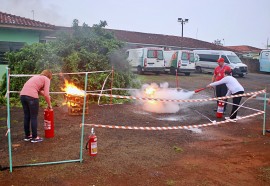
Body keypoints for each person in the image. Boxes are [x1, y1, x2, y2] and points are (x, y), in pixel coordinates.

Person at [20, 70, 52, 143]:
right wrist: (49, 105)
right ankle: (35, 137)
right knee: (33, 117)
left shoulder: (36, 77)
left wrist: (46, 95)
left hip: (23, 96)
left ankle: (27, 136)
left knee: (27, 116)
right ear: (49, 76)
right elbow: (46, 94)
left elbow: (38, 90)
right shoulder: (46, 79)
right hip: (32, 97)